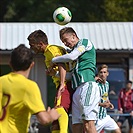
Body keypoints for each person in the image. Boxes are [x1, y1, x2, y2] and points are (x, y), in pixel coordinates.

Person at [0, 44, 60, 133]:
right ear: (32, 65)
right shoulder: (29, 86)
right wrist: (51, 115)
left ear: (10, 63)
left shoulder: (1, 81)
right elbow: (44, 119)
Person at [51, 27, 100, 133]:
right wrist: (55, 73)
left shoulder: (84, 42)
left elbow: (72, 56)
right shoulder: (73, 53)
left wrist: (53, 60)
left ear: (73, 36)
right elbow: (70, 76)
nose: (65, 43)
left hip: (87, 86)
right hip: (77, 89)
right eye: (62, 42)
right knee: (76, 126)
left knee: (88, 124)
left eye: (65, 40)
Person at [27, 30, 73, 133]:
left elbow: (61, 63)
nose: (31, 48)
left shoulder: (51, 50)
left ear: (40, 44)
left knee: (59, 109)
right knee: (55, 121)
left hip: (64, 84)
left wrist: (62, 84)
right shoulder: (48, 52)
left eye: (32, 45)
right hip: (63, 84)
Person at [95, 64, 121, 133]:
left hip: (105, 116)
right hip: (96, 118)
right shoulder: (95, 85)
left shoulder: (107, 84)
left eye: (104, 72)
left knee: (117, 131)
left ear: (107, 74)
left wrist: (109, 103)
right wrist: (101, 104)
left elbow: (105, 97)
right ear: (98, 74)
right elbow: (90, 102)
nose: (103, 74)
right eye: (101, 72)